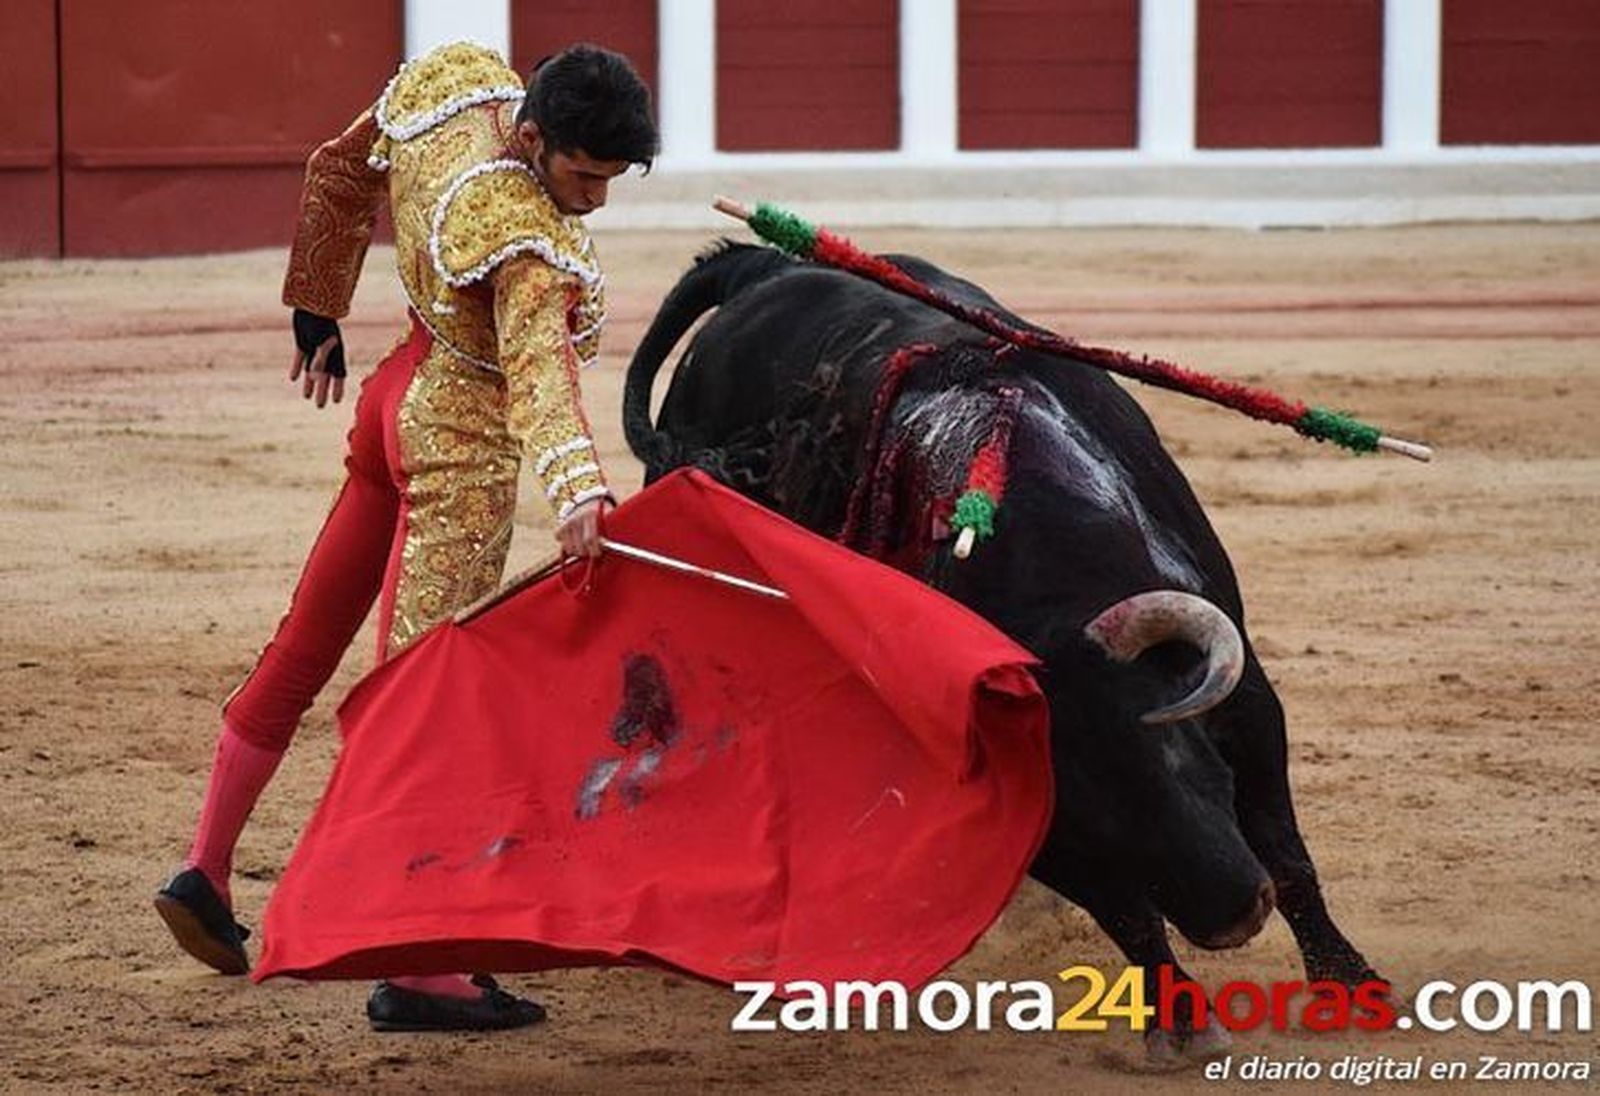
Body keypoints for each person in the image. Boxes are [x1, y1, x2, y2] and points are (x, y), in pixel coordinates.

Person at [154, 40, 658, 1031]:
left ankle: (205, 869)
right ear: (532, 135)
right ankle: (420, 965)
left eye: (610, 180)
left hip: (391, 401)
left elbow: (338, 170)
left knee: (308, 643)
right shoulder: (528, 238)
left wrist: (317, 303)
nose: (592, 201)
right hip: (458, 442)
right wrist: (577, 491)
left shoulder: (451, 83)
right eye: (582, 174)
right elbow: (538, 371)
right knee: (422, 699)